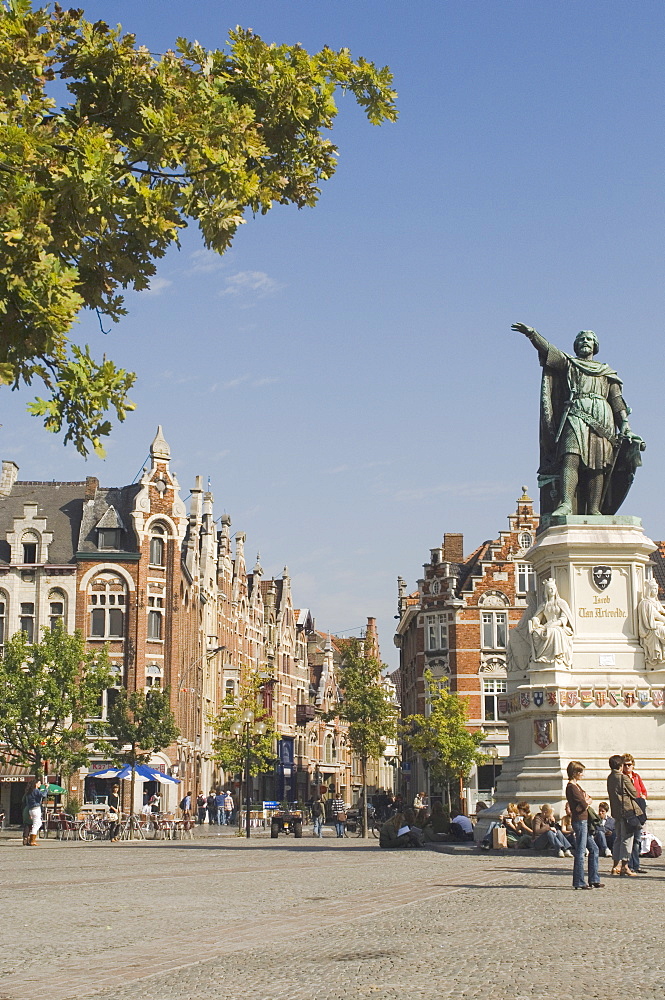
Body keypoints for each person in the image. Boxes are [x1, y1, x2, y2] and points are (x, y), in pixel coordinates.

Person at [513, 323, 644, 516]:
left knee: (597, 466)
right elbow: (550, 351)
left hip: (603, 421)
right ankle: (565, 503)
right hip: (576, 415)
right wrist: (533, 335)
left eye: (589, 339)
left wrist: (626, 426)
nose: (585, 341)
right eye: (581, 339)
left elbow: (617, 402)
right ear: (576, 345)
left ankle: (593, 509)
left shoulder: (607, 372)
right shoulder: (570, 365)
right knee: (570, 457)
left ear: (595, 346)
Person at [566, 761, 602, 889]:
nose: (582, 775)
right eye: (580, 772)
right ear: (575, 773)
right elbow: (583, 803)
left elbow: (588, 798)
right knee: (581, 852)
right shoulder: (572, 787)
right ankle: (579, 881)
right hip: (580, 821)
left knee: (594, 849)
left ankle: (594, 878)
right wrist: (587, 800)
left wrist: (587, 800)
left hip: (584, 820)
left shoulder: (577, 786)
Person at [607, 754, 643, 876]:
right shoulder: (623, 778)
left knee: (618, 839)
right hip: (627, 812)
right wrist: (632, 782)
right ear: (620, 765)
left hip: (616, 812)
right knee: (627, 839)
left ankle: (615, 865)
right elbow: (634, 793)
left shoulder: (610, 777)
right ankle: (625, 866)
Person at [528, 578, 574, 669]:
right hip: (546, 626)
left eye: (553, 588)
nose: (552, 590)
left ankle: (557, 657)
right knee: (536, 633)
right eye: (549, 588)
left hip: (558, 626)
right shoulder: (544, 605)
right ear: (546, 591)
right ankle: (542, 658)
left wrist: (554, 624)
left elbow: (564, 619)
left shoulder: (561, 603)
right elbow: (538, 617)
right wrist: (535, 619)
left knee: (554, 632)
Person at [622, 754, 647, 874]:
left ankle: (636, 865)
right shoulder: (622, 778)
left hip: (638, 809)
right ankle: (628, 865)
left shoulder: (636, 777)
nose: (627, 767)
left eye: (629, 765)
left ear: (633, 765)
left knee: (637, 839)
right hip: (629, 810)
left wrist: (643, 796)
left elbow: (643, 790)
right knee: (629, 839)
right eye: (625, 765)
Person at [637, 578, 665, 667]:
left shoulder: (656, 602)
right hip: (652, 628)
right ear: (649, 590)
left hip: (658, 625)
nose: (656, 591)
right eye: (653, 589)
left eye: (656, 589)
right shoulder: (646, 603)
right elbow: (656, 615)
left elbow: (662, 611)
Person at [24, 777, 47, 846]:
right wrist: (46, 788)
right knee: (36, 824)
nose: (40, 784)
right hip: (36, 808)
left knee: (38, 823)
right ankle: (32, 840)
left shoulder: (29, 792)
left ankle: (32, 838)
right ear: (36, 784)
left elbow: (27, 801)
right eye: (39, 783)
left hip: (31, 809)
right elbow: (43, 795)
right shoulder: (36, 790)